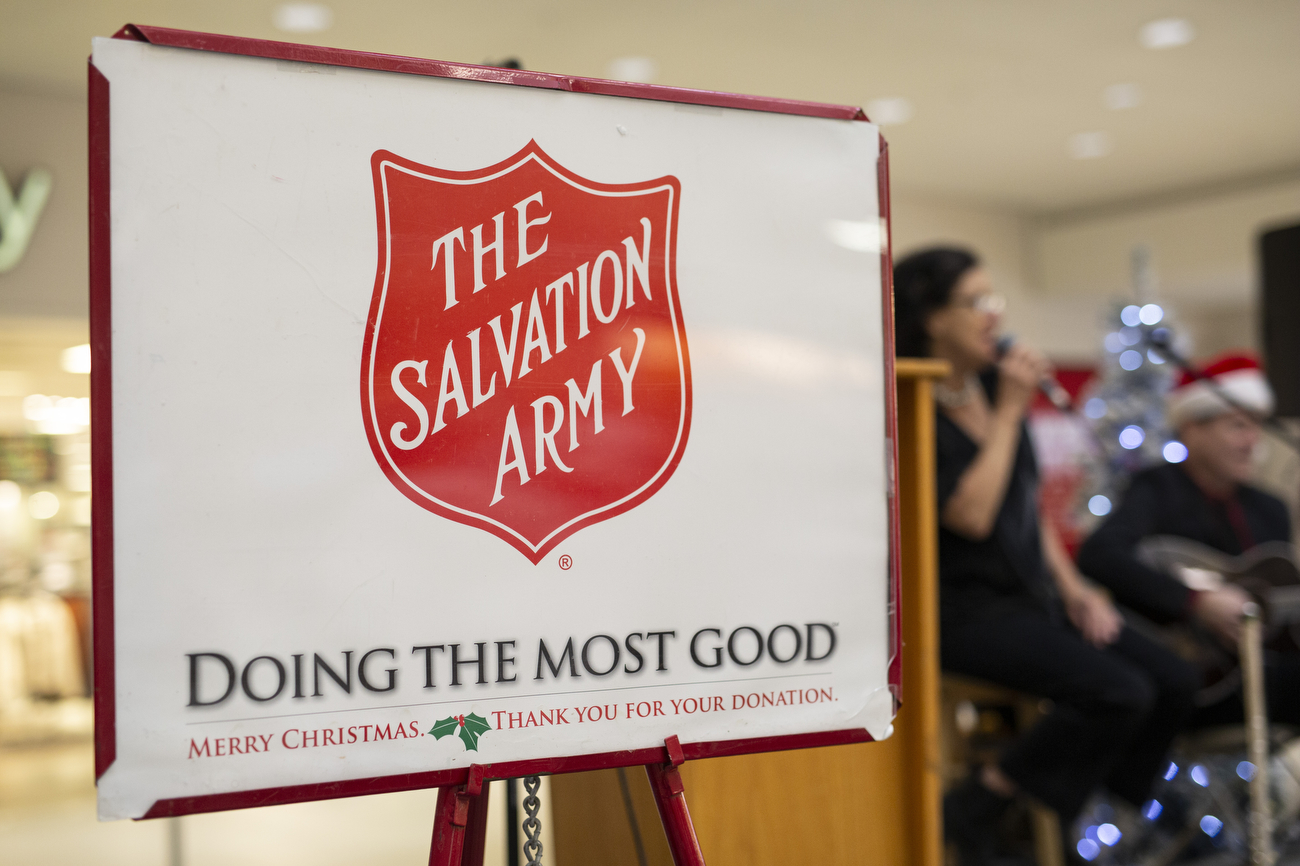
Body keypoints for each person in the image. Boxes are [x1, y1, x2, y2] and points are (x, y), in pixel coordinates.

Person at [893, 247, 1197, 865]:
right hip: (963, 609)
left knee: (1173, 679)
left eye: (993, 300)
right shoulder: (910, 401)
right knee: (1118, 692)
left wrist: (1076, 588)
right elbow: (972, 516)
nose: (992, 315)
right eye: (975, 302)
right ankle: (986, 801)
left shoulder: (988, 383)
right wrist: (1009, 412)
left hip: (1032, 596)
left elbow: (1025, 507)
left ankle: (1093, 808)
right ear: (931, 318)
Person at [1077, 353, 1300, 726]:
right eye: (1237, 427)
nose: (1252, 442)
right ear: (1192, 430)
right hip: (1187, 676)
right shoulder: (1157, 489)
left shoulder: (1269, 509)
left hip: (1261, 675)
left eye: (1256, 428)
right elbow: (1099, 555)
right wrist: (1195, 602)